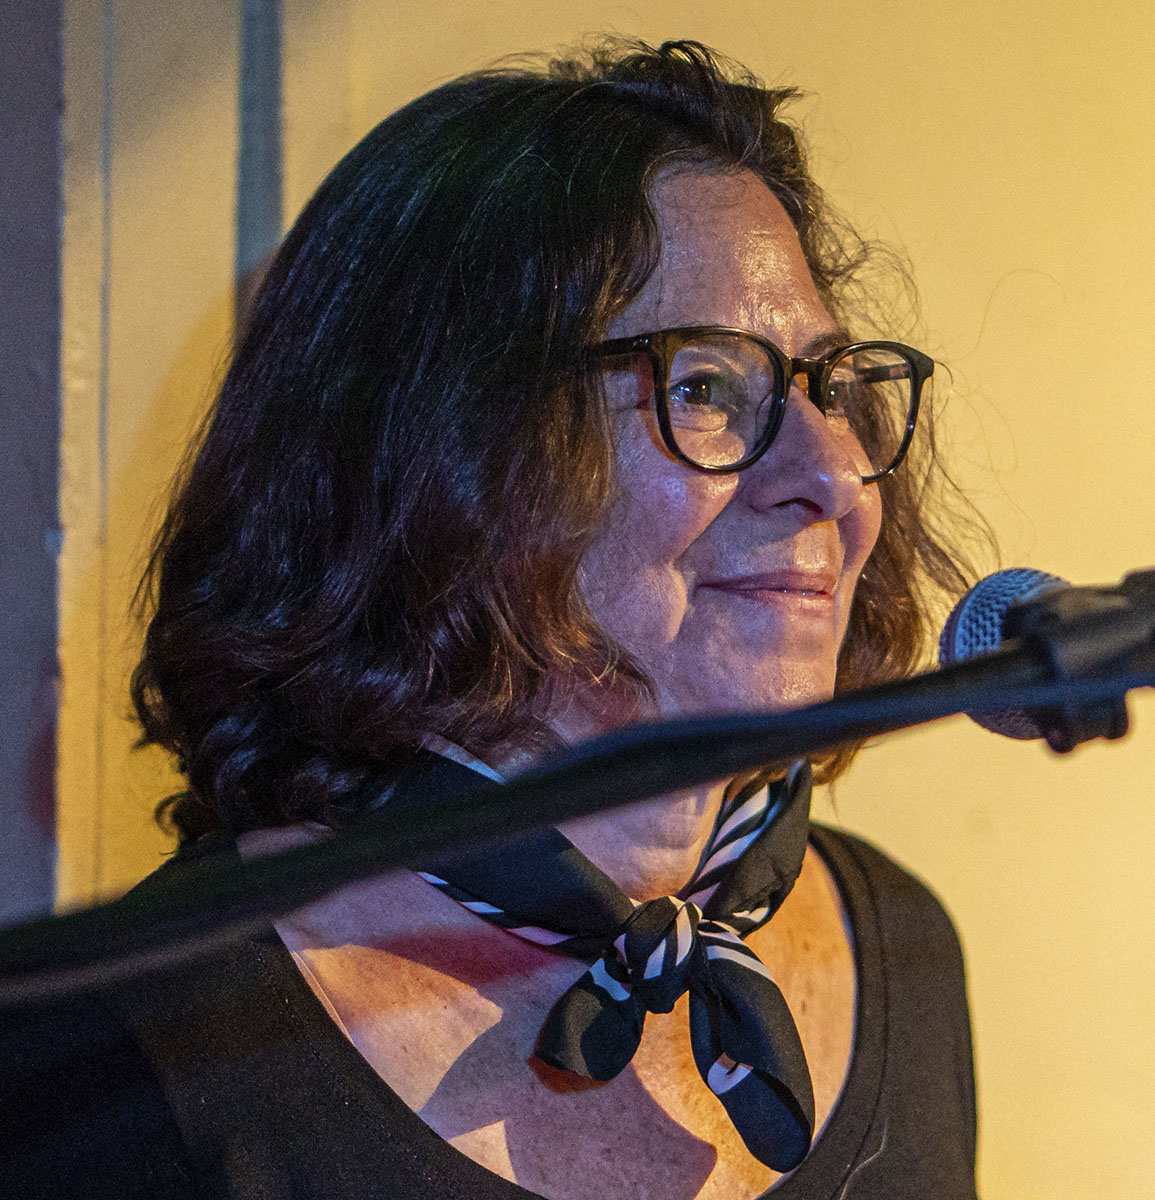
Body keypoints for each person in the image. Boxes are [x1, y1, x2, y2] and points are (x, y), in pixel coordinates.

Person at [4, 39, 980, 1199]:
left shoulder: (903, 951)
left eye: (832, 387)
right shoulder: (120, 1054)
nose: (833, 473)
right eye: (708, 387)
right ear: (446, 455)